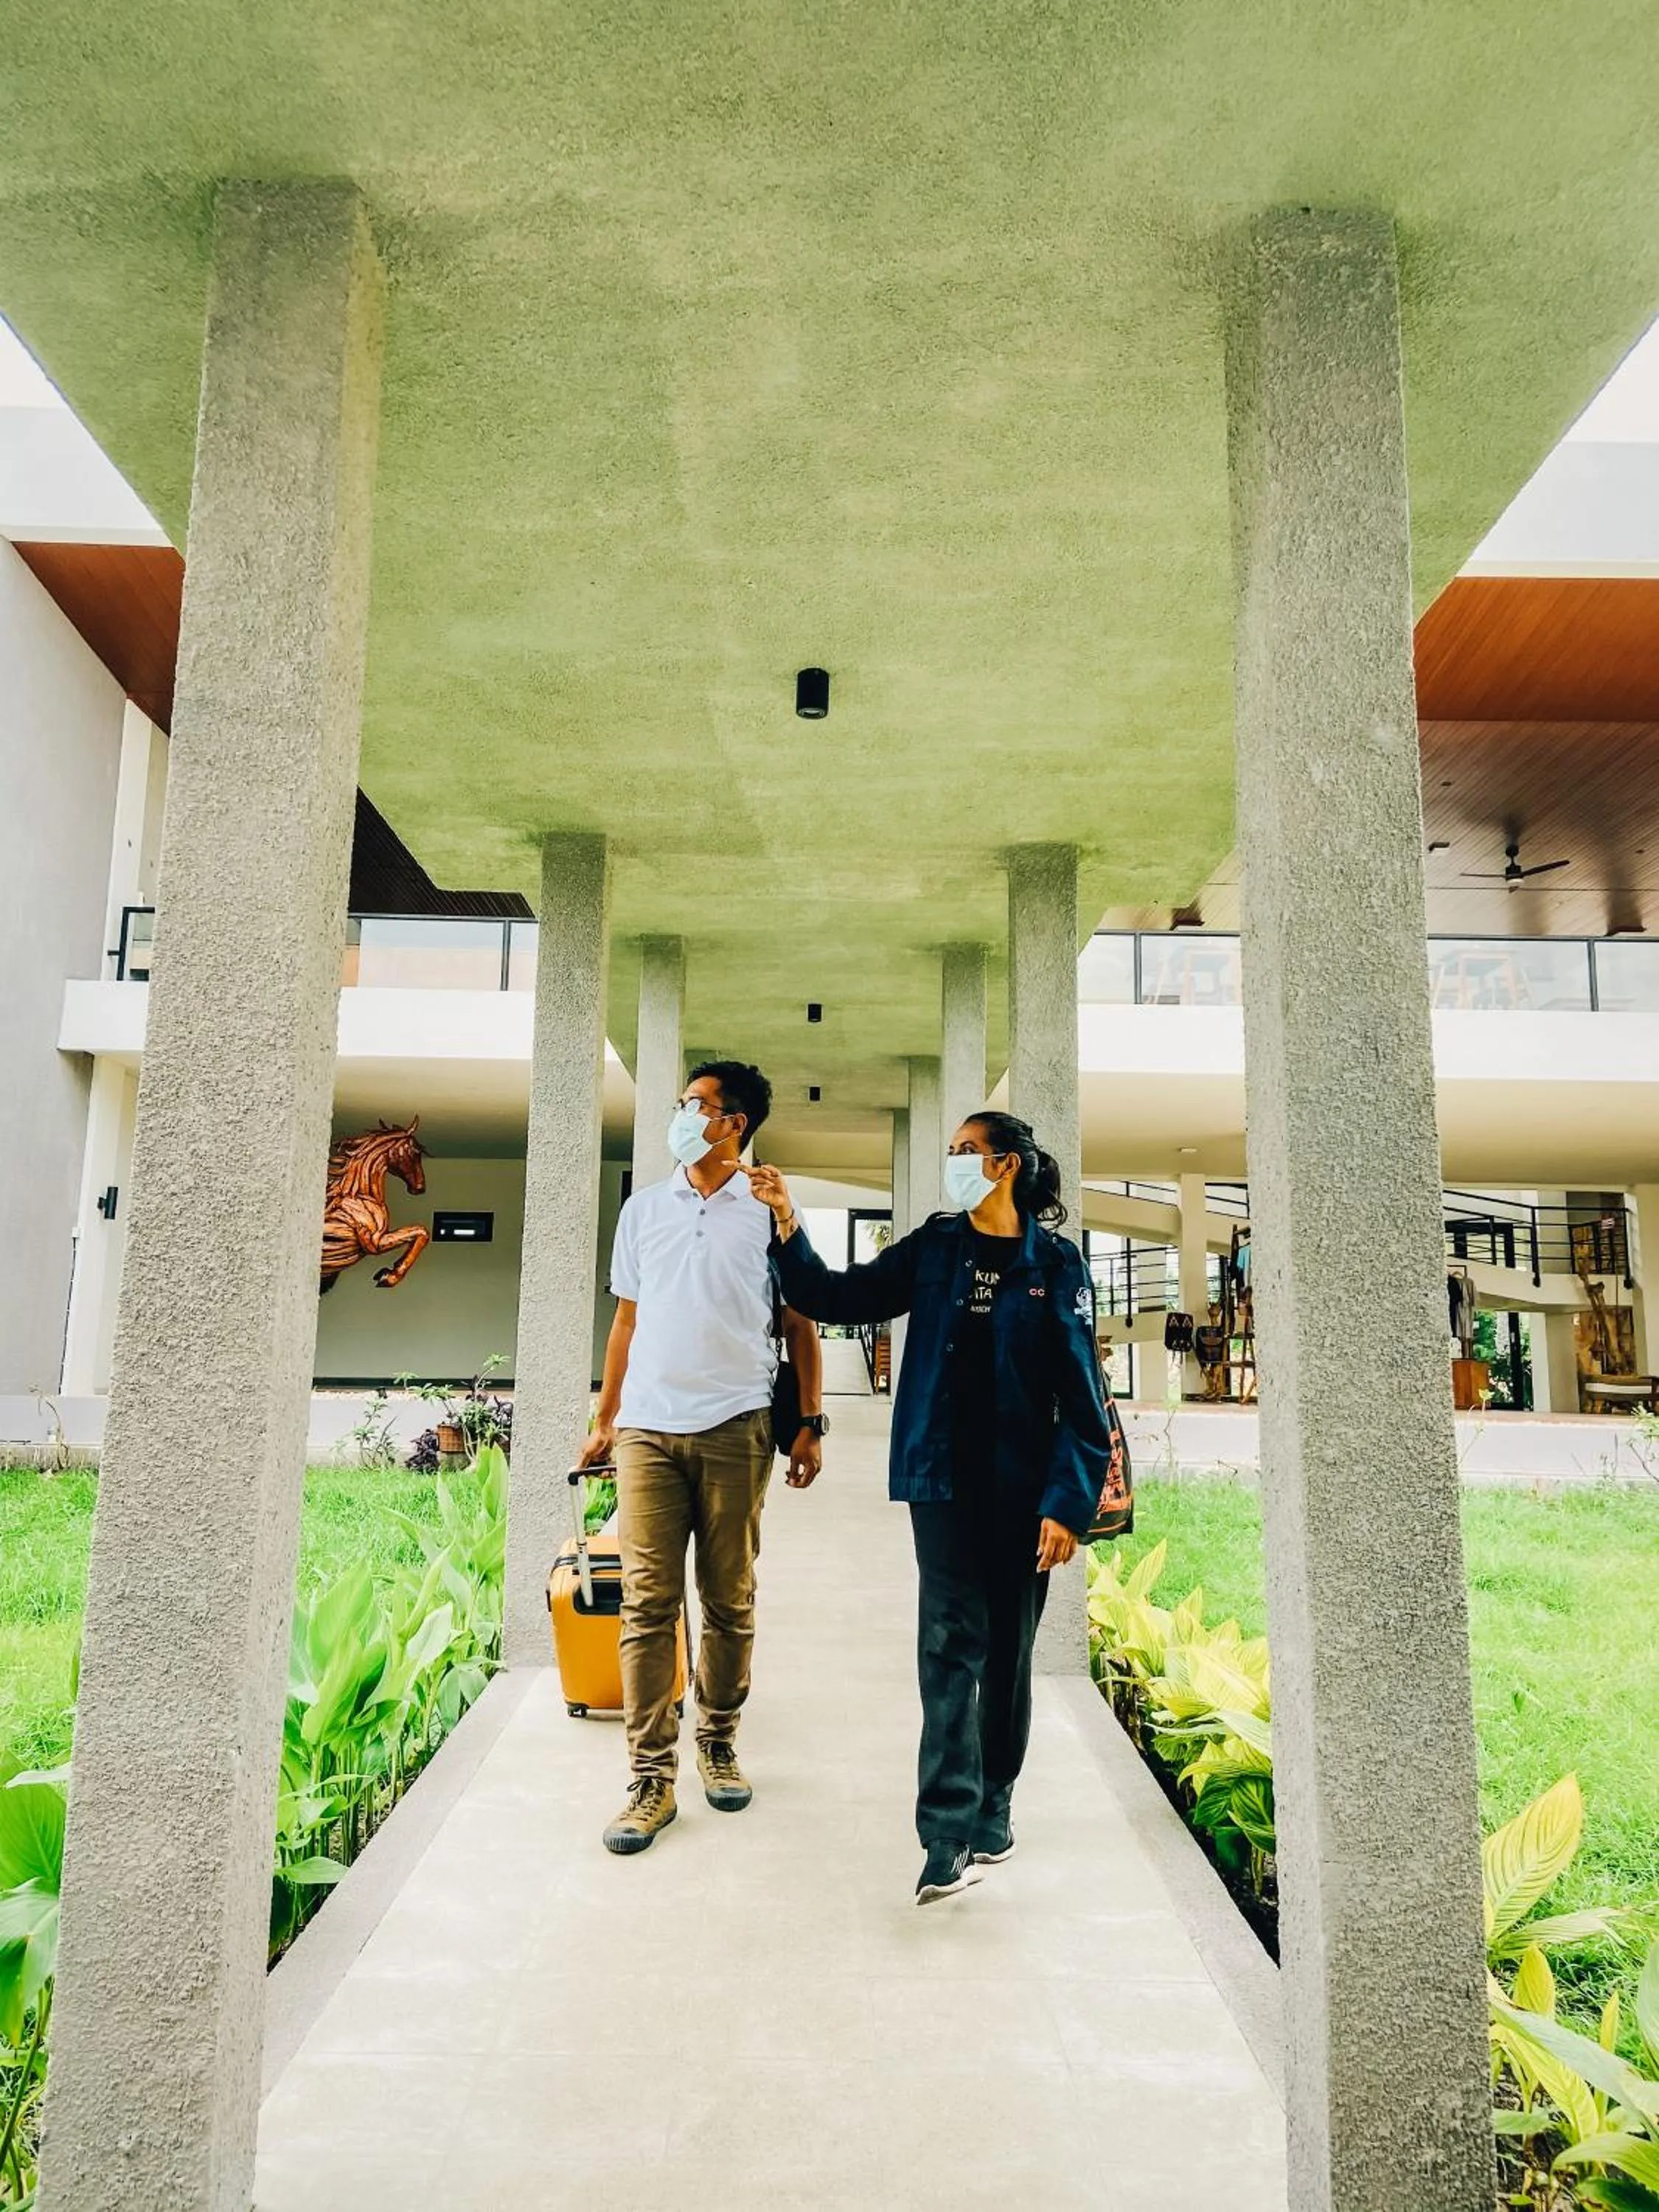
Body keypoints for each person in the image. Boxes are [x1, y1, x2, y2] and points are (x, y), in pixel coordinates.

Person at [743, 1112, 1108, 1905]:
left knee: (1008, 1653)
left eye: (965, 1153)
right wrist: (786, 1223)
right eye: (950, 1153)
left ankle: (995, 1800)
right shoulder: (936, 1247)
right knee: (949, 1648)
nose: (954, 1164)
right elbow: (836, 1296)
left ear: (1005, 1165)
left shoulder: (1059, 1266)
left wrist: (1068, 1506)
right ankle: (945, 1833)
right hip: (940, 1483)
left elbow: (1085, 1399)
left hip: (1024, 1494)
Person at [581, 1060, 826, 1856]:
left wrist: (810, 1423)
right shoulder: (646, 1208)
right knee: (648, 1603)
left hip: (736, 1425)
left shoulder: (770, 1213)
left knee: (727, 1599)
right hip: (648, 1431)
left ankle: (717, 1738)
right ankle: (651, 1779)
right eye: (684, 1102)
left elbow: (800, 1326)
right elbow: (626, 1321)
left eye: (699, 1105)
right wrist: (605, 1416)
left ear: (736, 1124)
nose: (683, 1114)